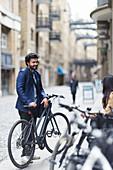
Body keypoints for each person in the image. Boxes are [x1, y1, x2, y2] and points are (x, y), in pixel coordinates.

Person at [15, 52, 48, 162]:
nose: (35, 64)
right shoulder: (23, 73)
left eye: (36, 62)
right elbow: (20, 90)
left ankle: (31, 153)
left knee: (33, 129)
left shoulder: (37, 74)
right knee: (26, 130)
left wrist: (45, 97)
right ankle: (24, 155)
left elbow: (41, 89)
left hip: (35, 106)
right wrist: (28, 102)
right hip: (25, 106)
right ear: (28, 63)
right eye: (33, 62)